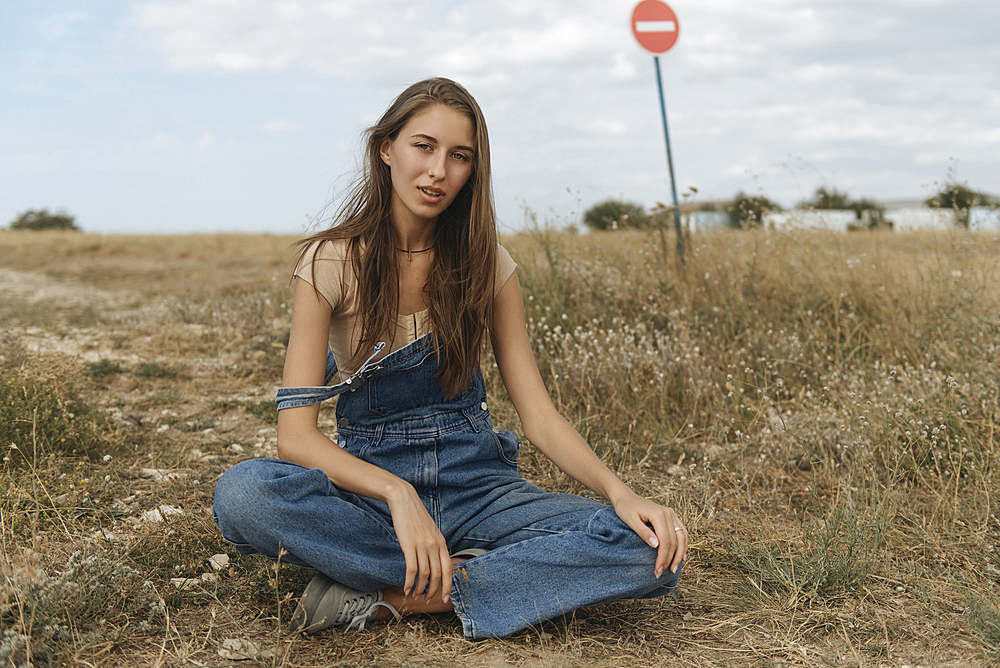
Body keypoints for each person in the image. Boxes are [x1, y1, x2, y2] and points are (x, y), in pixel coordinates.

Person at [212, 77, 687, 640]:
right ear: (386, 149)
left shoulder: (489, 264)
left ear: (473, 170)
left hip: (481, 488)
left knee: (648, 546)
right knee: (243, 495)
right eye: (424, 146)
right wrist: (399, 494)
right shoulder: (329, 261)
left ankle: (408, 595)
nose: (438, 171)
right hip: (373, 495)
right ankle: (498, 571)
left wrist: (621, 493)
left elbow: (537, 414)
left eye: (459, 156)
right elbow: (294, 438)